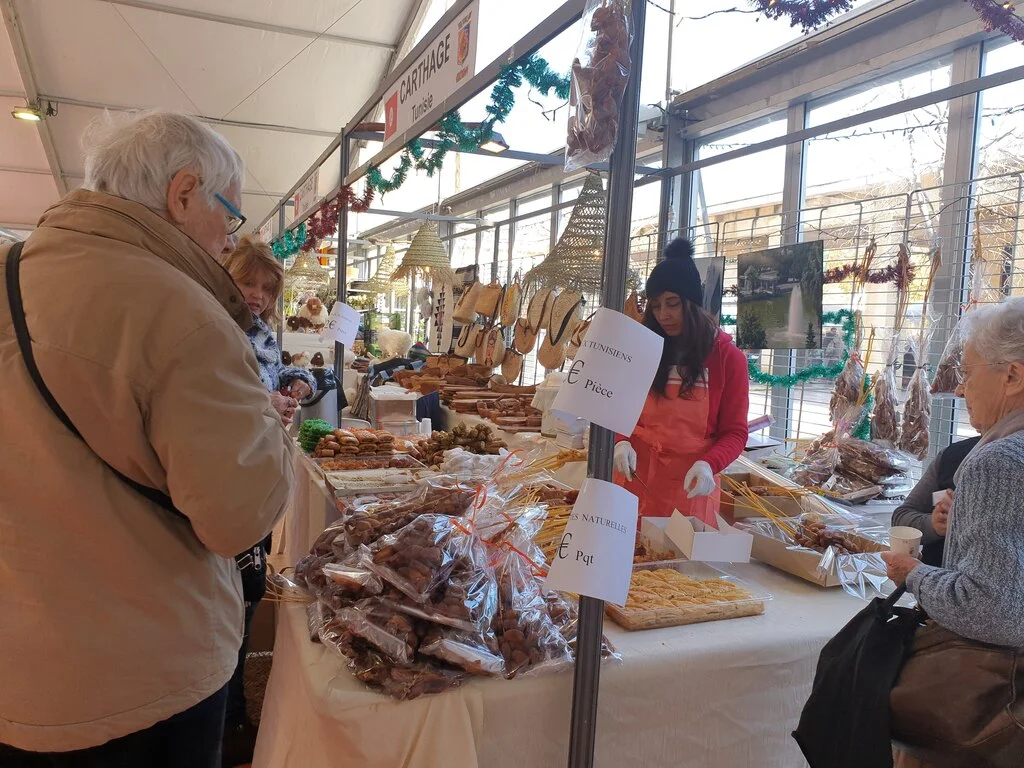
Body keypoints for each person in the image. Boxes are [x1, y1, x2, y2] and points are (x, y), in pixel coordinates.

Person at [0, 110, 296, 767]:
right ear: (183, 193)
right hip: (142, 678)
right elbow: (237, 517)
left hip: (19, 666)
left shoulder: (13, 267)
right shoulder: (181, 312)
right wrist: (274, 437)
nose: (229, 238)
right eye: (231, 213)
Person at [883, 297, 1024, 767]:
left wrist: (912, 572)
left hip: (991, 710)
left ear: (1013, 375)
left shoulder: (997, 461)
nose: (961, 389)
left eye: (967, 372)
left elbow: (989, 606)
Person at [219, 236, 316, 767]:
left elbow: (271, 378)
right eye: (246, 282)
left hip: (257, 472)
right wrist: (264, 402)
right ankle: (230, 716)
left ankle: (234, 707)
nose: (255, 295)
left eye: (264, 287)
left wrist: (295, 383)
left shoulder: (258, 331)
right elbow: (221, 394)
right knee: (232, 597)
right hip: (227, 477)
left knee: (248, 589)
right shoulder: (211, 325)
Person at [613, 237, 750, 518]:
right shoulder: (644, 348)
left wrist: (709, 464)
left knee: (676, 559)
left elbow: (735, 432)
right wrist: (620, 441)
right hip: (636, 477)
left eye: (672, 303)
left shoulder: (727, 359)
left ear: (692, 303)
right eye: (656, 305)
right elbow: (619, 408)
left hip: (691, 485)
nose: (663, 315)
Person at [890, 435, 980, 566]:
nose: (969, 412)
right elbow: (901, 518)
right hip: (931, 577)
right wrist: (934, 524)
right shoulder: (952, 456)